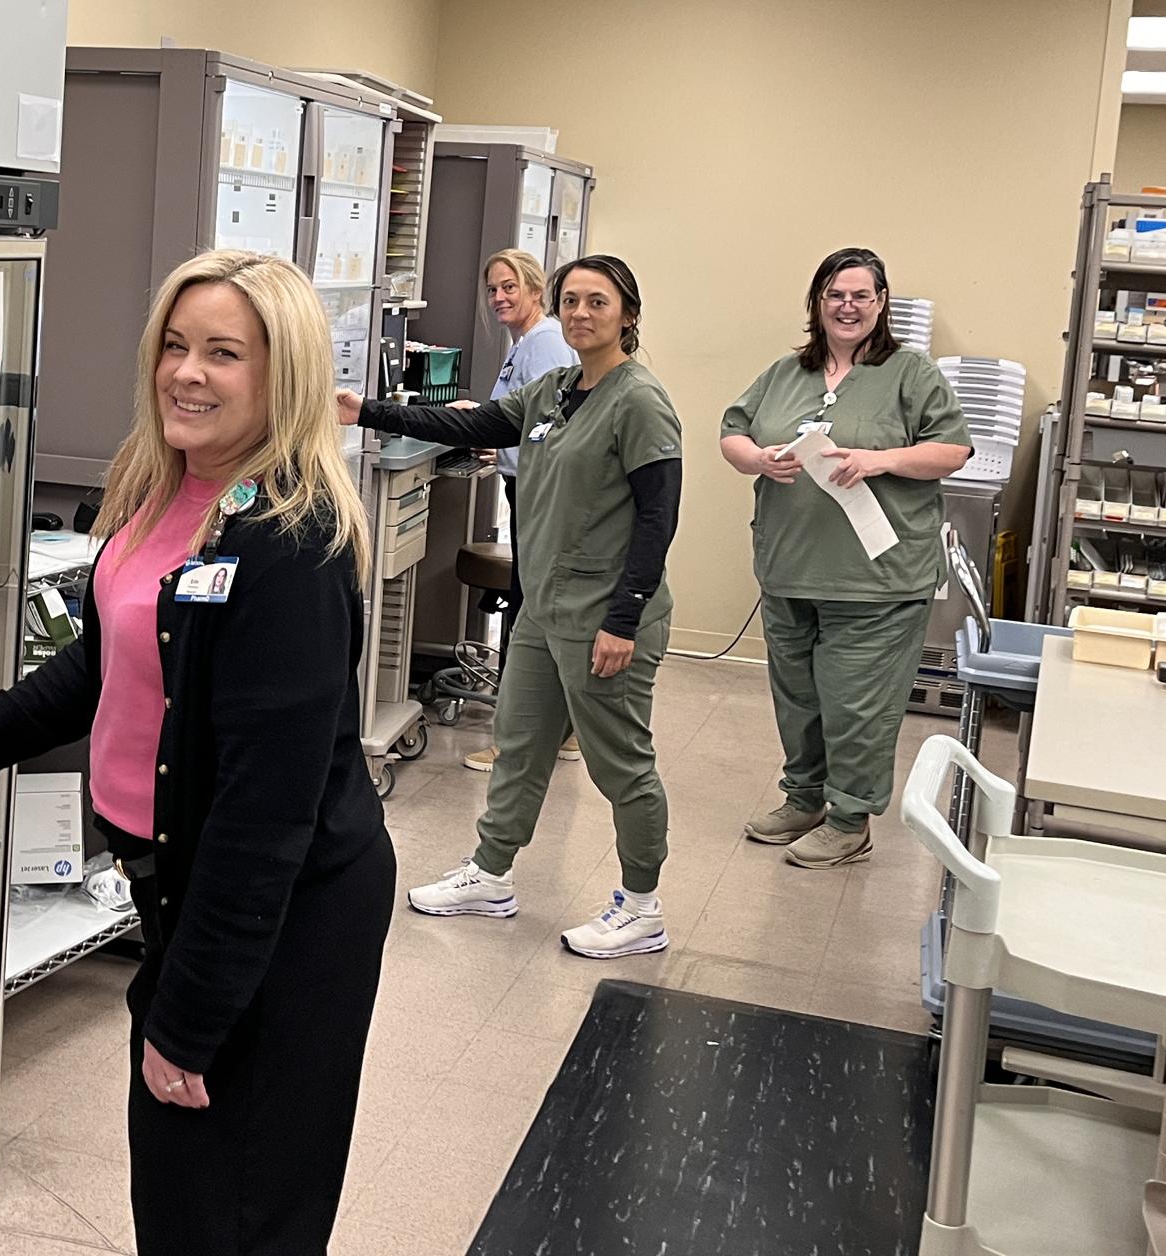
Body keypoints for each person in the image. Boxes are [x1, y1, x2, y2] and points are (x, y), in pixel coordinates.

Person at [0, 249, 395, 1255]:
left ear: (283, 375)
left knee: (236, 1206)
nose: (187, 371)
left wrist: (194, 1012)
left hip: (277, 914)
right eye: (175, 345)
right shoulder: (165, 490)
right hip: (185, 892)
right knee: (182, 1192)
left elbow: (265, 813)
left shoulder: (289, 546)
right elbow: (108, 660)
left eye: (224, 353)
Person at [337, 254, 683, 959]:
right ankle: (491, 876)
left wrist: (624, 618)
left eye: (598, 302)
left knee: (622, 765)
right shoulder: (555, 390)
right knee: (520, 747)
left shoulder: (640, 401)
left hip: (607, 616)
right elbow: (480, 424)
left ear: (629, 315)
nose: (582, 313)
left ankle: (642, 907)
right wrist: (367, 410)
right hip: (545, 606)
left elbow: (658, 517)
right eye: (572, 301)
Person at [719, 247, 971, 869]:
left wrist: (878, 460)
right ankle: (804, 798)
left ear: (881, 303)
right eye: (835, 294)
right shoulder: (786, 372)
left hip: (877, 580)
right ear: (817, 303)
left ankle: (850, 818)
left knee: (857, 704)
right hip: (789, 568)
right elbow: (734, 431)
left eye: (861, 295)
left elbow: (953, 450)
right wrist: (758, 459)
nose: (848, 306)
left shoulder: (911, 373)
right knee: (798, 698)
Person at [464, 247, 581, 773]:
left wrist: (503, 444)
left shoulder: (546, 342)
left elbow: (553, 428)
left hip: (540, 492)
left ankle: (514, 742)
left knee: (527, 613)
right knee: (534, 605)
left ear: (536, 289)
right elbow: (523, 418)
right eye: (492, 289)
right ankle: (559, 731)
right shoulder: (527, 344)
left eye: (510, 286)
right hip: (525, 485)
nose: (499, 297)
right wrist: (496, 438)